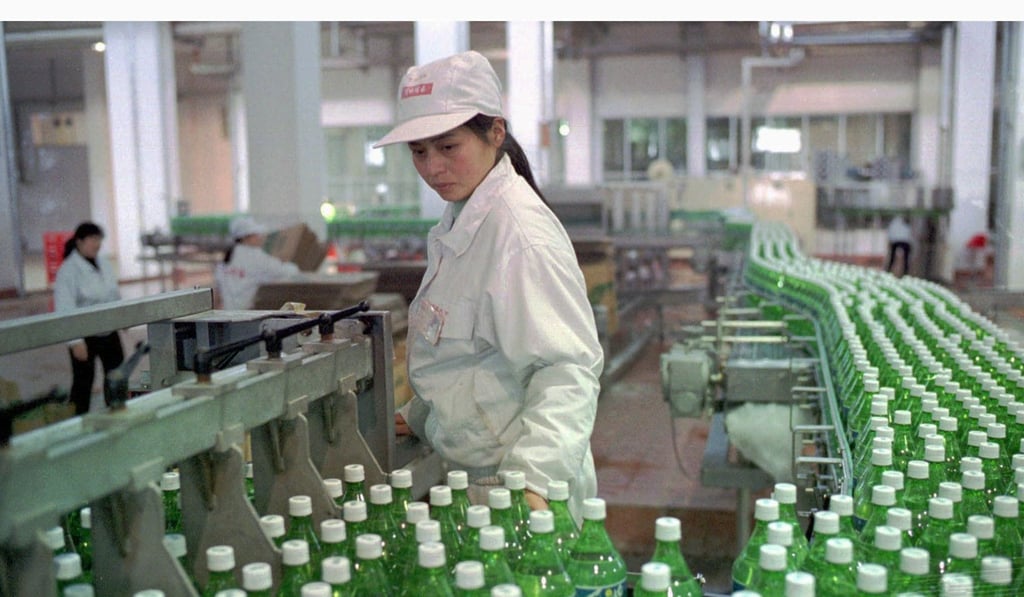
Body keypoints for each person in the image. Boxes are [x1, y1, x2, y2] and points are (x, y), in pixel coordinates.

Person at [374, 51, 604, 522]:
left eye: (448, 147)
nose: (432, 167)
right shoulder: (462, 222)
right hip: (475, 481)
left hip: (519, 489)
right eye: (419, 151)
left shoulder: (519, 236)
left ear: (495, 133)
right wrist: (423, 414)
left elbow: (567, 371)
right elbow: (474, 355)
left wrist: (534, 484)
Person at [53, 222, 125, 415]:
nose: (97, 244)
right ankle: (77, 424)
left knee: (117, 375)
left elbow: (114, 294)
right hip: (84, 336)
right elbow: (64, 308)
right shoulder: (68, 271)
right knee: (83, 382)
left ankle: (116, 412)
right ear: (79, 241)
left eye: (99, 239)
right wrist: (75, 341)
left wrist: (124, 318)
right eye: (92, 239)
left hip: (108, 331)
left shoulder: (104, 263)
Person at [216, 216, 301, 310]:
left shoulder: (229, 255)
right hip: (243, 314)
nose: (260, 238)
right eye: (256, 235)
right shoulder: (255, 256)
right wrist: (295, 266)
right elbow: (282, 271)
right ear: (246, 238)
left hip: (227, 313)